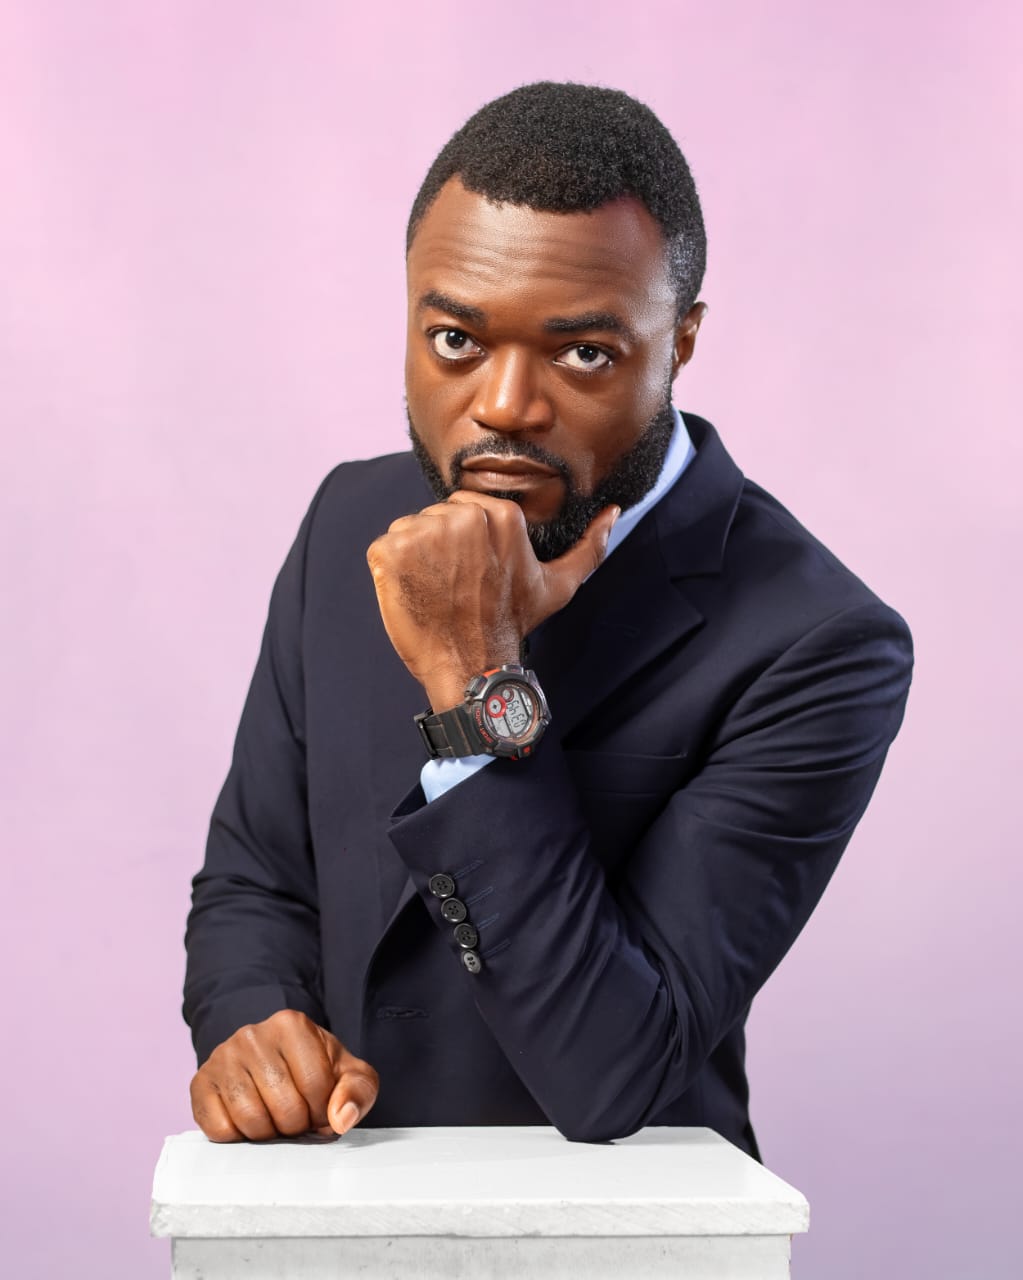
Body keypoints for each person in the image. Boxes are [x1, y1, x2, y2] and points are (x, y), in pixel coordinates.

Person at [184, 82, 912, 1156]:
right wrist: (255, 1025)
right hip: (334, 1206)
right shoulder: (349, 519)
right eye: (454, 340)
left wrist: (476, 676)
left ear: (682, 341)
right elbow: (256, 876)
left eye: (582, 355)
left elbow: (615, 1065)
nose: (504, 405)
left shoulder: (818, 641)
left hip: (617, 1223)